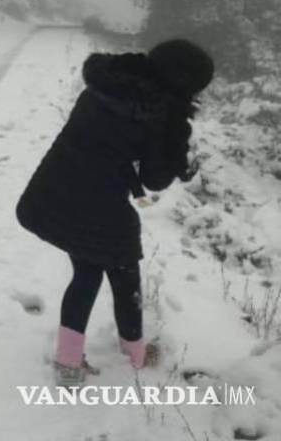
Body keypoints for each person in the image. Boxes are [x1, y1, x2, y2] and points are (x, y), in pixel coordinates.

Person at [16, 39, 214, 387]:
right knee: (123, 274)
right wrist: (180, 157)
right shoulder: (161, 114)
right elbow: (154, 179)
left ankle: (74, 360)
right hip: (99, 202)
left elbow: (106, 139)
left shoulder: (107, 80)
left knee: (88, 272)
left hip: (55, 187)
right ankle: (133, 355)